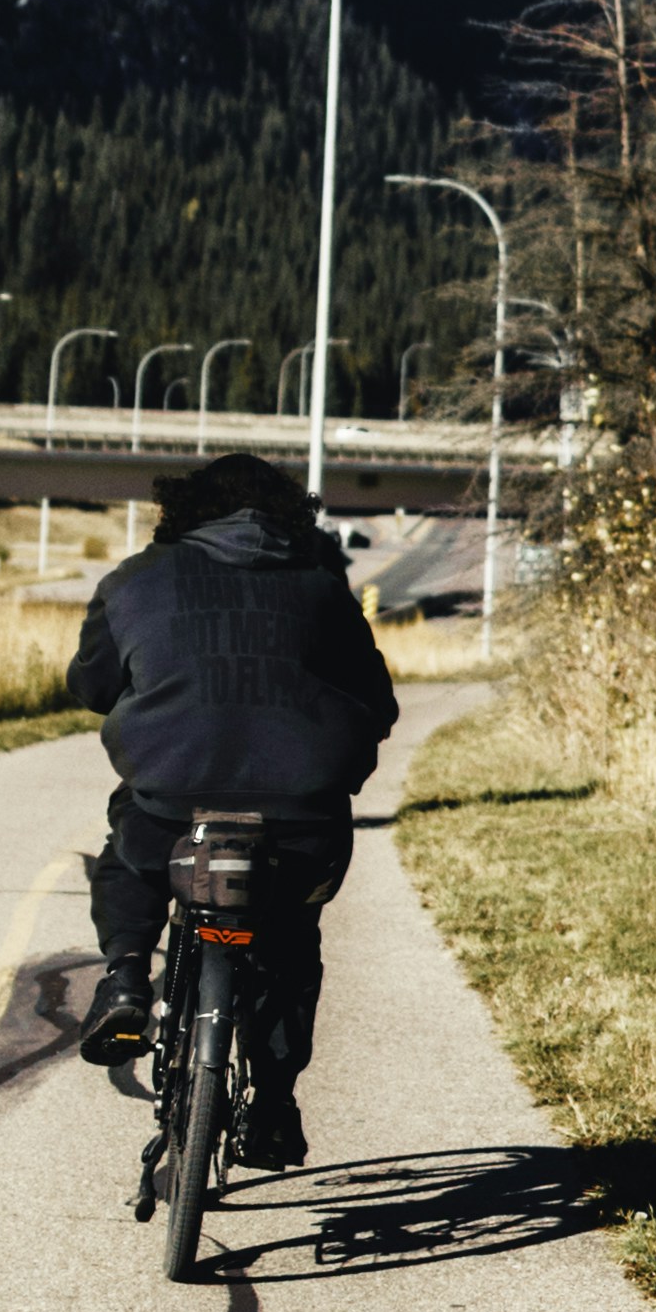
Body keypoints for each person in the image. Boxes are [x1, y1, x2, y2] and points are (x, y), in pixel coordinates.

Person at [65, 448, 398, 1169]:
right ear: (290, 516)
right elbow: (379, 703)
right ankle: (273, 1102)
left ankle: (126, 979)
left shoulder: (134, 581)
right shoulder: (322, 588)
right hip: (301, 822)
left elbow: (90, 685)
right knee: (287, 941)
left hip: (171, 808)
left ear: (181, 510)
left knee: (128, 852)